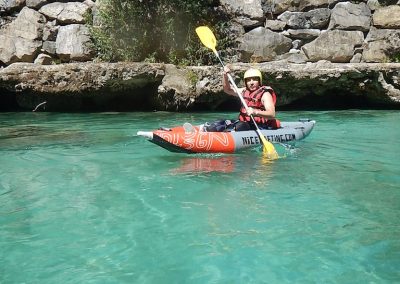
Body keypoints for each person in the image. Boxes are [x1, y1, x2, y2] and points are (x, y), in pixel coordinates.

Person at [222, 66, 280, 131]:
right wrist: (225, 76)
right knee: (219, 124)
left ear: (259, 81)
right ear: (246, 82)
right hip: (244, 122)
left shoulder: (265, 94)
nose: (251, 83)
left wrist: (255, 112)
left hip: (260, 125)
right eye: (249, 80)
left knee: (239, 126)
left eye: (254, 79)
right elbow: (227, 89)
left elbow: (272, 114)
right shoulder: (243, 91)